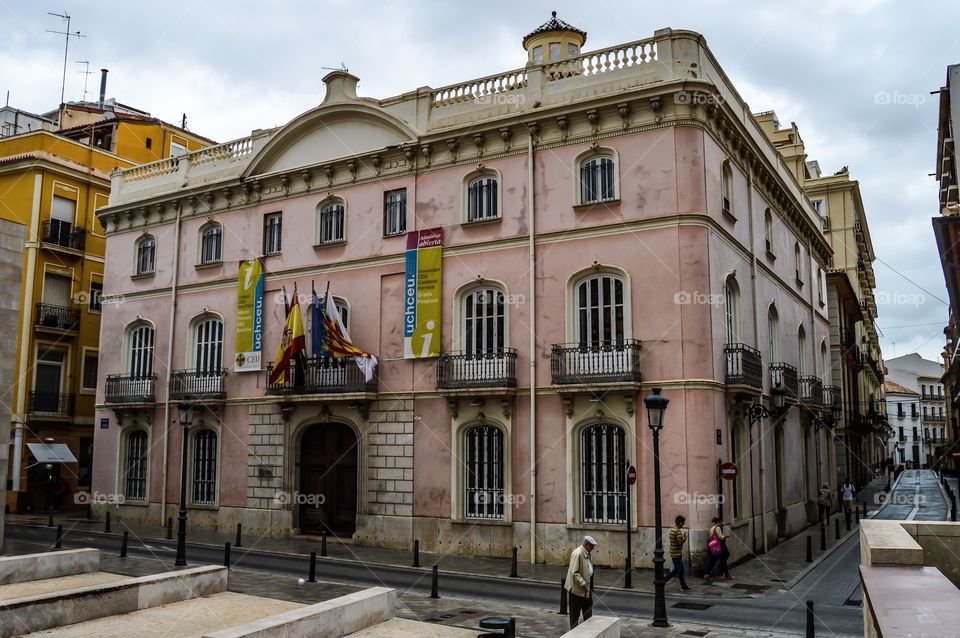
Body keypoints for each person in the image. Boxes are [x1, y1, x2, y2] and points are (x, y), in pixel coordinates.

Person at [565, 535, 596, 629]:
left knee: (588, 615)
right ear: (586, 545)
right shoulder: (577, 553)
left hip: (586, 590)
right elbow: (574, 573)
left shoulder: (587, 553)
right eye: (592, 546)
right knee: (575, 617)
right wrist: (583, 584)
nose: (593, 548)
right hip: (576, 590)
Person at [664, 515, 691, 590]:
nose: (683, 525)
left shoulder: (672, 530)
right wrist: (685, 538)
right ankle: (664, 580)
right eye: (682, 523)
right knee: (676, 570)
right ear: (679, 522)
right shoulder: (678, 531)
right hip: (676, 553)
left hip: (674, 552)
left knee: (681, 570)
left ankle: (683, 586)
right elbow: (680, 542)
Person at [703, 517, 734, 582]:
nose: (722, 523)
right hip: (720, 546)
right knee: (725, 557)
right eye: (721, 522)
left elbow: (712, 536)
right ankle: (726, 575)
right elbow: (721, 537)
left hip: (714, 547)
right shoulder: (718, 528)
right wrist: (726, 536)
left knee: (713, 561)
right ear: (719, 522)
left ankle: (706, 574)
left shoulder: (712, 528)